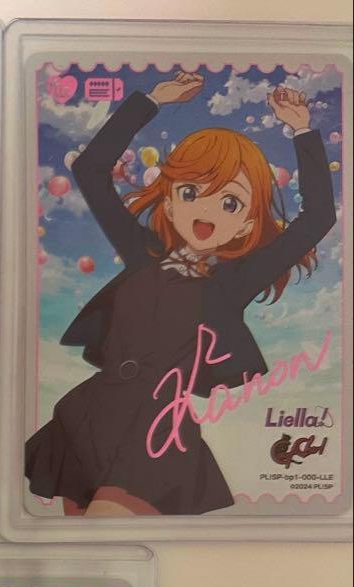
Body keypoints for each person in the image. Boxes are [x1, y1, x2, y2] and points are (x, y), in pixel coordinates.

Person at [26, 73, 336, 516]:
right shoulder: (142, 251)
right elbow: (90, 169)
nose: (206, 210)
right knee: (82, 544)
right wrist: (152, 100)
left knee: (108, 524)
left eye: (230, 202)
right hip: (90, 414)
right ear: (170, 202)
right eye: (191, 192)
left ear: (248, 224)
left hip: (155, 429)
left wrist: (302, 129)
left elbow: (318, 216)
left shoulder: (235, 279)